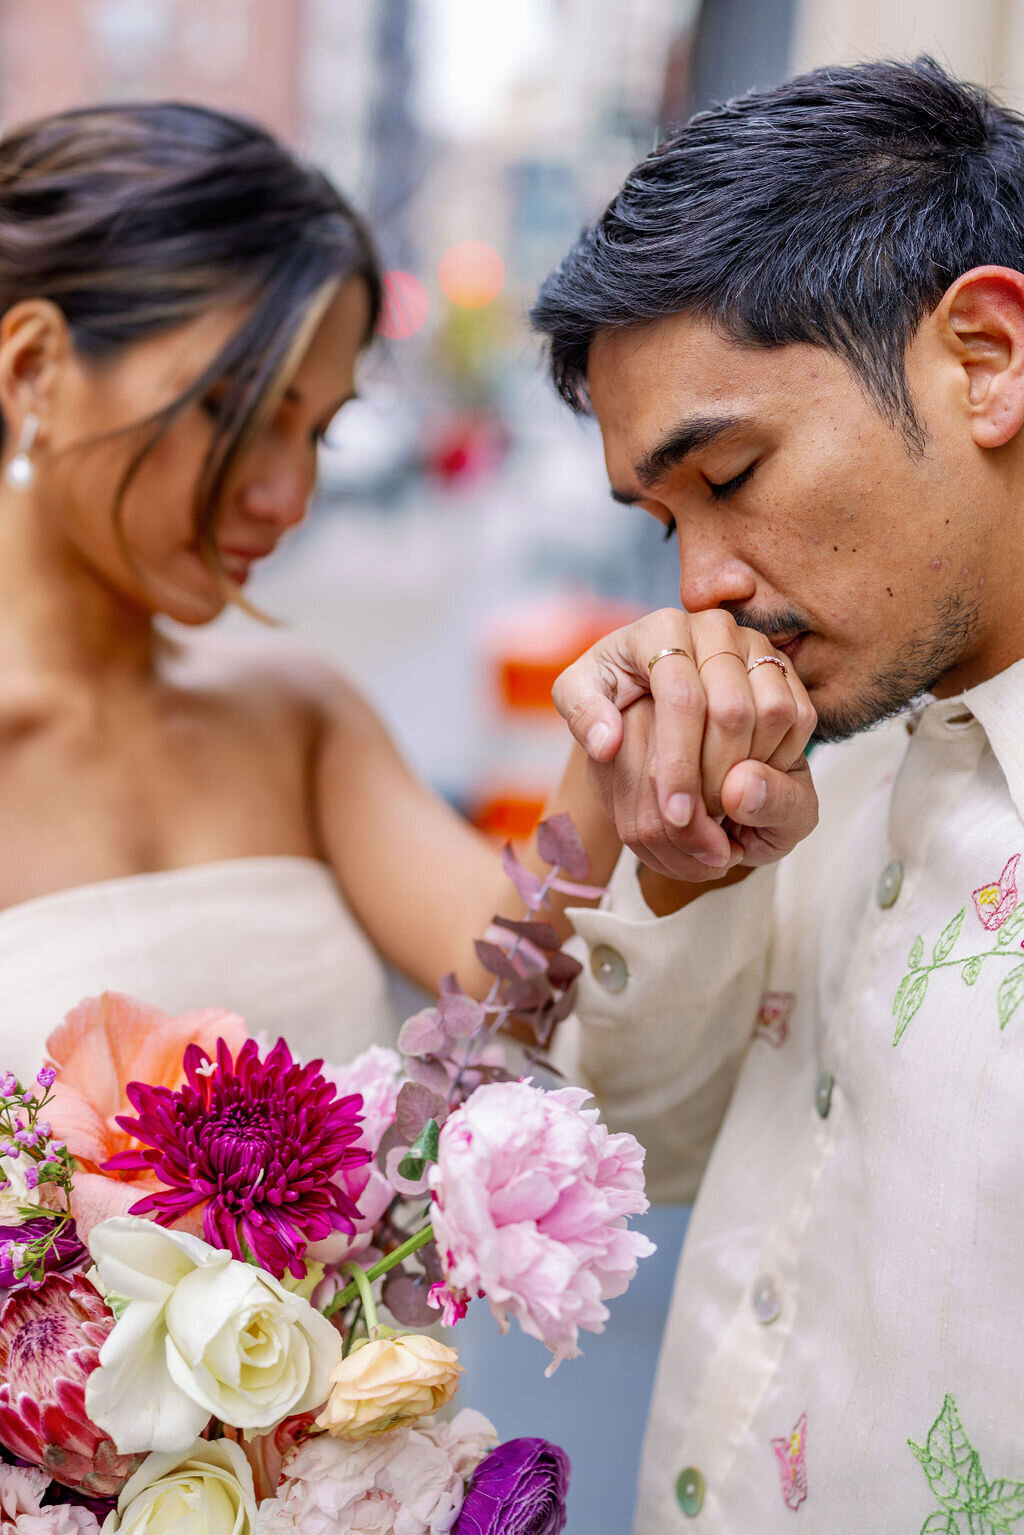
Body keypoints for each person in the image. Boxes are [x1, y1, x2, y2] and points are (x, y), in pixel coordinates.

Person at [532, 57, 1024, 1531]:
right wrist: (680, 873)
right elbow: (650, 1160)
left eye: (732, 473)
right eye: (663, 518)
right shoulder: (822, 733)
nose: (702, 588)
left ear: (989, 355)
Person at [0, 99, 620, 1080]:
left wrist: (620, 745)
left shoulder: (298, 720)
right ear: (35, 369)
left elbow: (532, 996)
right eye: (237, 410)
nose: (289, 497)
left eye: (318, 432)